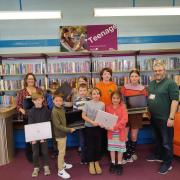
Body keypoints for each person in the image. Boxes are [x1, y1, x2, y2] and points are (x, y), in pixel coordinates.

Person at [146, 61, 179, 175]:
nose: (157, 73)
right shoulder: (152, 83)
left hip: (165, 118)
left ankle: (168, 162)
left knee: (166, 141)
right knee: (158, 139)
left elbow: (175, 100)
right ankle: (159, 155)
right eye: (155, 71)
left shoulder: (171, 83)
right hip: (154, 117)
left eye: (160, 70)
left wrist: (171, 117)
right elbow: (150, 98)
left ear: (165, 71)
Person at [121, 69, 147, 163]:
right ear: (129, 78)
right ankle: (126, 153)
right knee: (124, 135)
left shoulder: (142, 88)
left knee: (133, 135)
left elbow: (144, 102)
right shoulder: (124, 87)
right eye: (132, 76)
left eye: (136, 76)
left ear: (139, 77)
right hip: (125, 114)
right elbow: (121, 100)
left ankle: (132, 152)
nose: (134, 78)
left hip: (136, 115)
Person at [16, 73, 44, 162]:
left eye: (32, 79)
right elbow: (18, 105)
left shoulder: (39, 90)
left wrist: (42, 106)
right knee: (30, 136)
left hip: (39, 115)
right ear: (26, 80)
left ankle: (39, 152)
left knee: (39, 134)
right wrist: (21, 110)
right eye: (29, 79)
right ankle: (30, 154)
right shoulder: (22, 92)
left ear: (35, 80)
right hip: (28, 116)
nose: (30, 80)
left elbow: (44, 101)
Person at [51, 92, 75, 179]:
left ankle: (62, 164)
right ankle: (60, 171)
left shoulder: (61, 108)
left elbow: (64, 120)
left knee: (63, 151)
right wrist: (69, 129)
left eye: (60, 100)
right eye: (56, 100)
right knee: (61, 152)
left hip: (63, 133)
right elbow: (58, 125)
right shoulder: (54, 111)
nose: (58, 102)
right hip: (59, 134)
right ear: (53, 101)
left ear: (62, 102)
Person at [82, 87, 105, 175]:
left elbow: (103, 116)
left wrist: (101, 123)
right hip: (89, 127)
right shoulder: (87, 103)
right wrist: (92, 122)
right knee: (90, 145)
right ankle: (91, 163)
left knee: (98, 145)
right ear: (91, 95)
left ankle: (96, 162)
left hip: (98, 128)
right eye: (94, 94)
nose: (96, 95)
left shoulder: (102, 104)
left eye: (98, 93)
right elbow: (83, 116)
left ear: (100, 95)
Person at [28, 92, 51, 177]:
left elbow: (48, 122)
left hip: (44, 135)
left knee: (45, 151)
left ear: (42, 99)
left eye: (39, 99)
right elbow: (30, 125)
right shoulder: (31, 112)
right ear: (33, 101)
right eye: (35, 100)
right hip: (34, 136)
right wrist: (32, 138)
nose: (37, 101)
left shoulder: (46, 110)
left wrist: (45, 135)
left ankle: (46, 166)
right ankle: (36, 167)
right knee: (35, 153)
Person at [105, 90, 128, 175]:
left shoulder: (123, 107)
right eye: (114, 98)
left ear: (120, 99)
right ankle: (113, 163)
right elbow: (106, 119)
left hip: (120, 131)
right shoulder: (108, 107)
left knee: (120, 149)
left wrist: (115, 127)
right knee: (112, 148)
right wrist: (105, 125)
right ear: (111, 99)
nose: (115, 100)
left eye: (117, 98)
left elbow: (124, 119)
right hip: (111, 132)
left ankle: (119, 164)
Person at [96, 67, 117, 155]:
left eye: (108, 74)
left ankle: (110, 150)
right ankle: (102, 150)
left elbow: (116, 98)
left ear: (111, 75)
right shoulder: (98, 85)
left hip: (111, 110)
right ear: (101, 75)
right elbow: (96, 97)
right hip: (101, 111)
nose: (107, 75)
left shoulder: (114, 85)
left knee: (110, 131)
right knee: (101, 132)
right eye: (105, 74)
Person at [73, 83, 91, 164]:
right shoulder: (76, 101)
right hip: (81, 125)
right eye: (81, 90)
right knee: (82, 141)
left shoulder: (90, 100)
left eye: (84, 90)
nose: (83, 92)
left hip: (89, 124)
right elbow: (75, 113)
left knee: (89, 141)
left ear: (87, 91)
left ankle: (89, 157)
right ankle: (84, 158)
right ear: (78, 91)